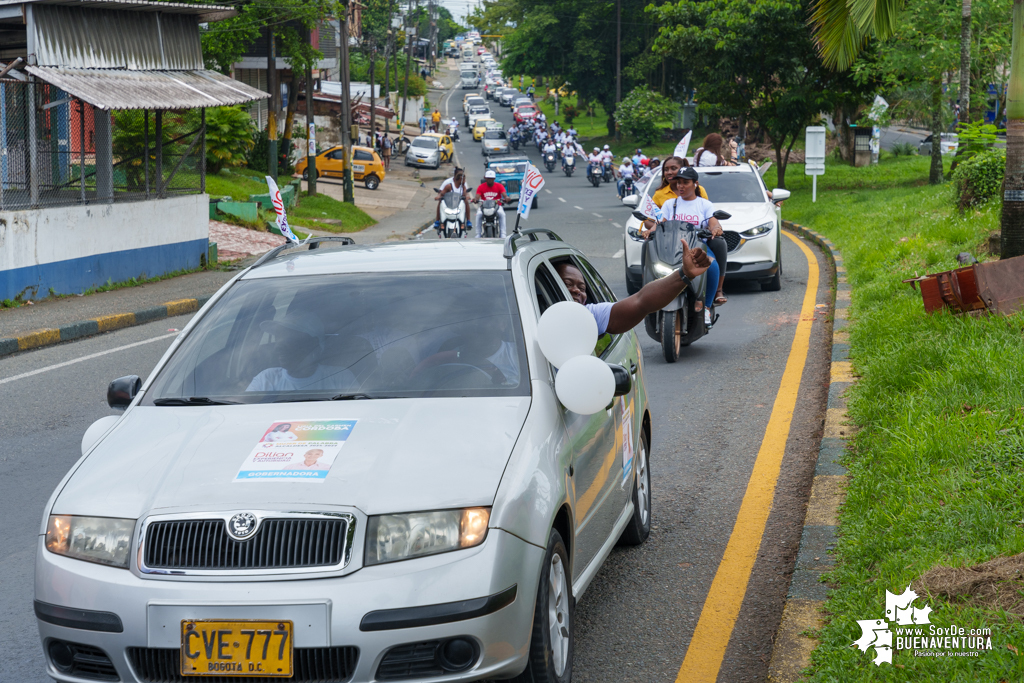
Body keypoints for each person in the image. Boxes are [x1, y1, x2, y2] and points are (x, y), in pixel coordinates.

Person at [553, 244, 711, 336]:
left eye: (582, 288)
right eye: (567, 283)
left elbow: (641, 302)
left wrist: (684, 274)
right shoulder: (529, 314)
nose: (576, 291)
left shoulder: (589, 315)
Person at [658, 168, 730, 308]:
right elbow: (660, 223)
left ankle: (707, 308)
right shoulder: (669, 204)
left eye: (685, 182)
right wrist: (650, 230)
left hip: (698, 247)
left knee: (711, 266)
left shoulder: (704, 204)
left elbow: (713, 221)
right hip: (672, 247)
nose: (681, 186)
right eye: (679, 183)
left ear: (695, 184)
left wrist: (716, 228)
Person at [246, 313, 356, 393]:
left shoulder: (341, 378)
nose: (278, 347)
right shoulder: (266, 379)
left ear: (312, 344)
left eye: (288, 339)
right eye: (278, 338)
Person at [473, 169, 509, 237]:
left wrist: (506, 198)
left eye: (491, 178)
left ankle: (503, 233)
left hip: (497, 206)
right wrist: (476, 199)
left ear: (494, 178)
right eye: (488, 178)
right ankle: (478, 233)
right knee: (479, 215)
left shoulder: (499, 186)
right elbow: (477, 196)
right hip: (484, 207)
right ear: (485, 178)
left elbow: (504, 194)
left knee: (502, 214)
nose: (490, 180)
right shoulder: (481, 187)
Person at [433, 167, 471, 231]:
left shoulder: (463, 186)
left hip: (459, 204)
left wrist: (467, 196)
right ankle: (438, 220)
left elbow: (466, 193)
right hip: (449, 203)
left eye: (464, 180)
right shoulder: (448, 185)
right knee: (440, 202)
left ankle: (468, 221)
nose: (464, 182)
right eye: (463, 180)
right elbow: (441, 193)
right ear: (458, 179)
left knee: (466, 202)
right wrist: (438, 196)